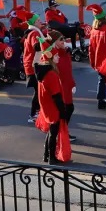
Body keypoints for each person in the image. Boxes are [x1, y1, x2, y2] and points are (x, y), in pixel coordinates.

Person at [33, 34, 71, 165]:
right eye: (55, 56)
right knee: (53, 133)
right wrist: (63, 110)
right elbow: (56, 96)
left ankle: (46, 155)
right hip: (53, 108)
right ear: (50, 58)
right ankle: (51, 158)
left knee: (51, 131)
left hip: (46, 107)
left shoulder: (43, 72)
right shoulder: (51, 75)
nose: (58, 56)